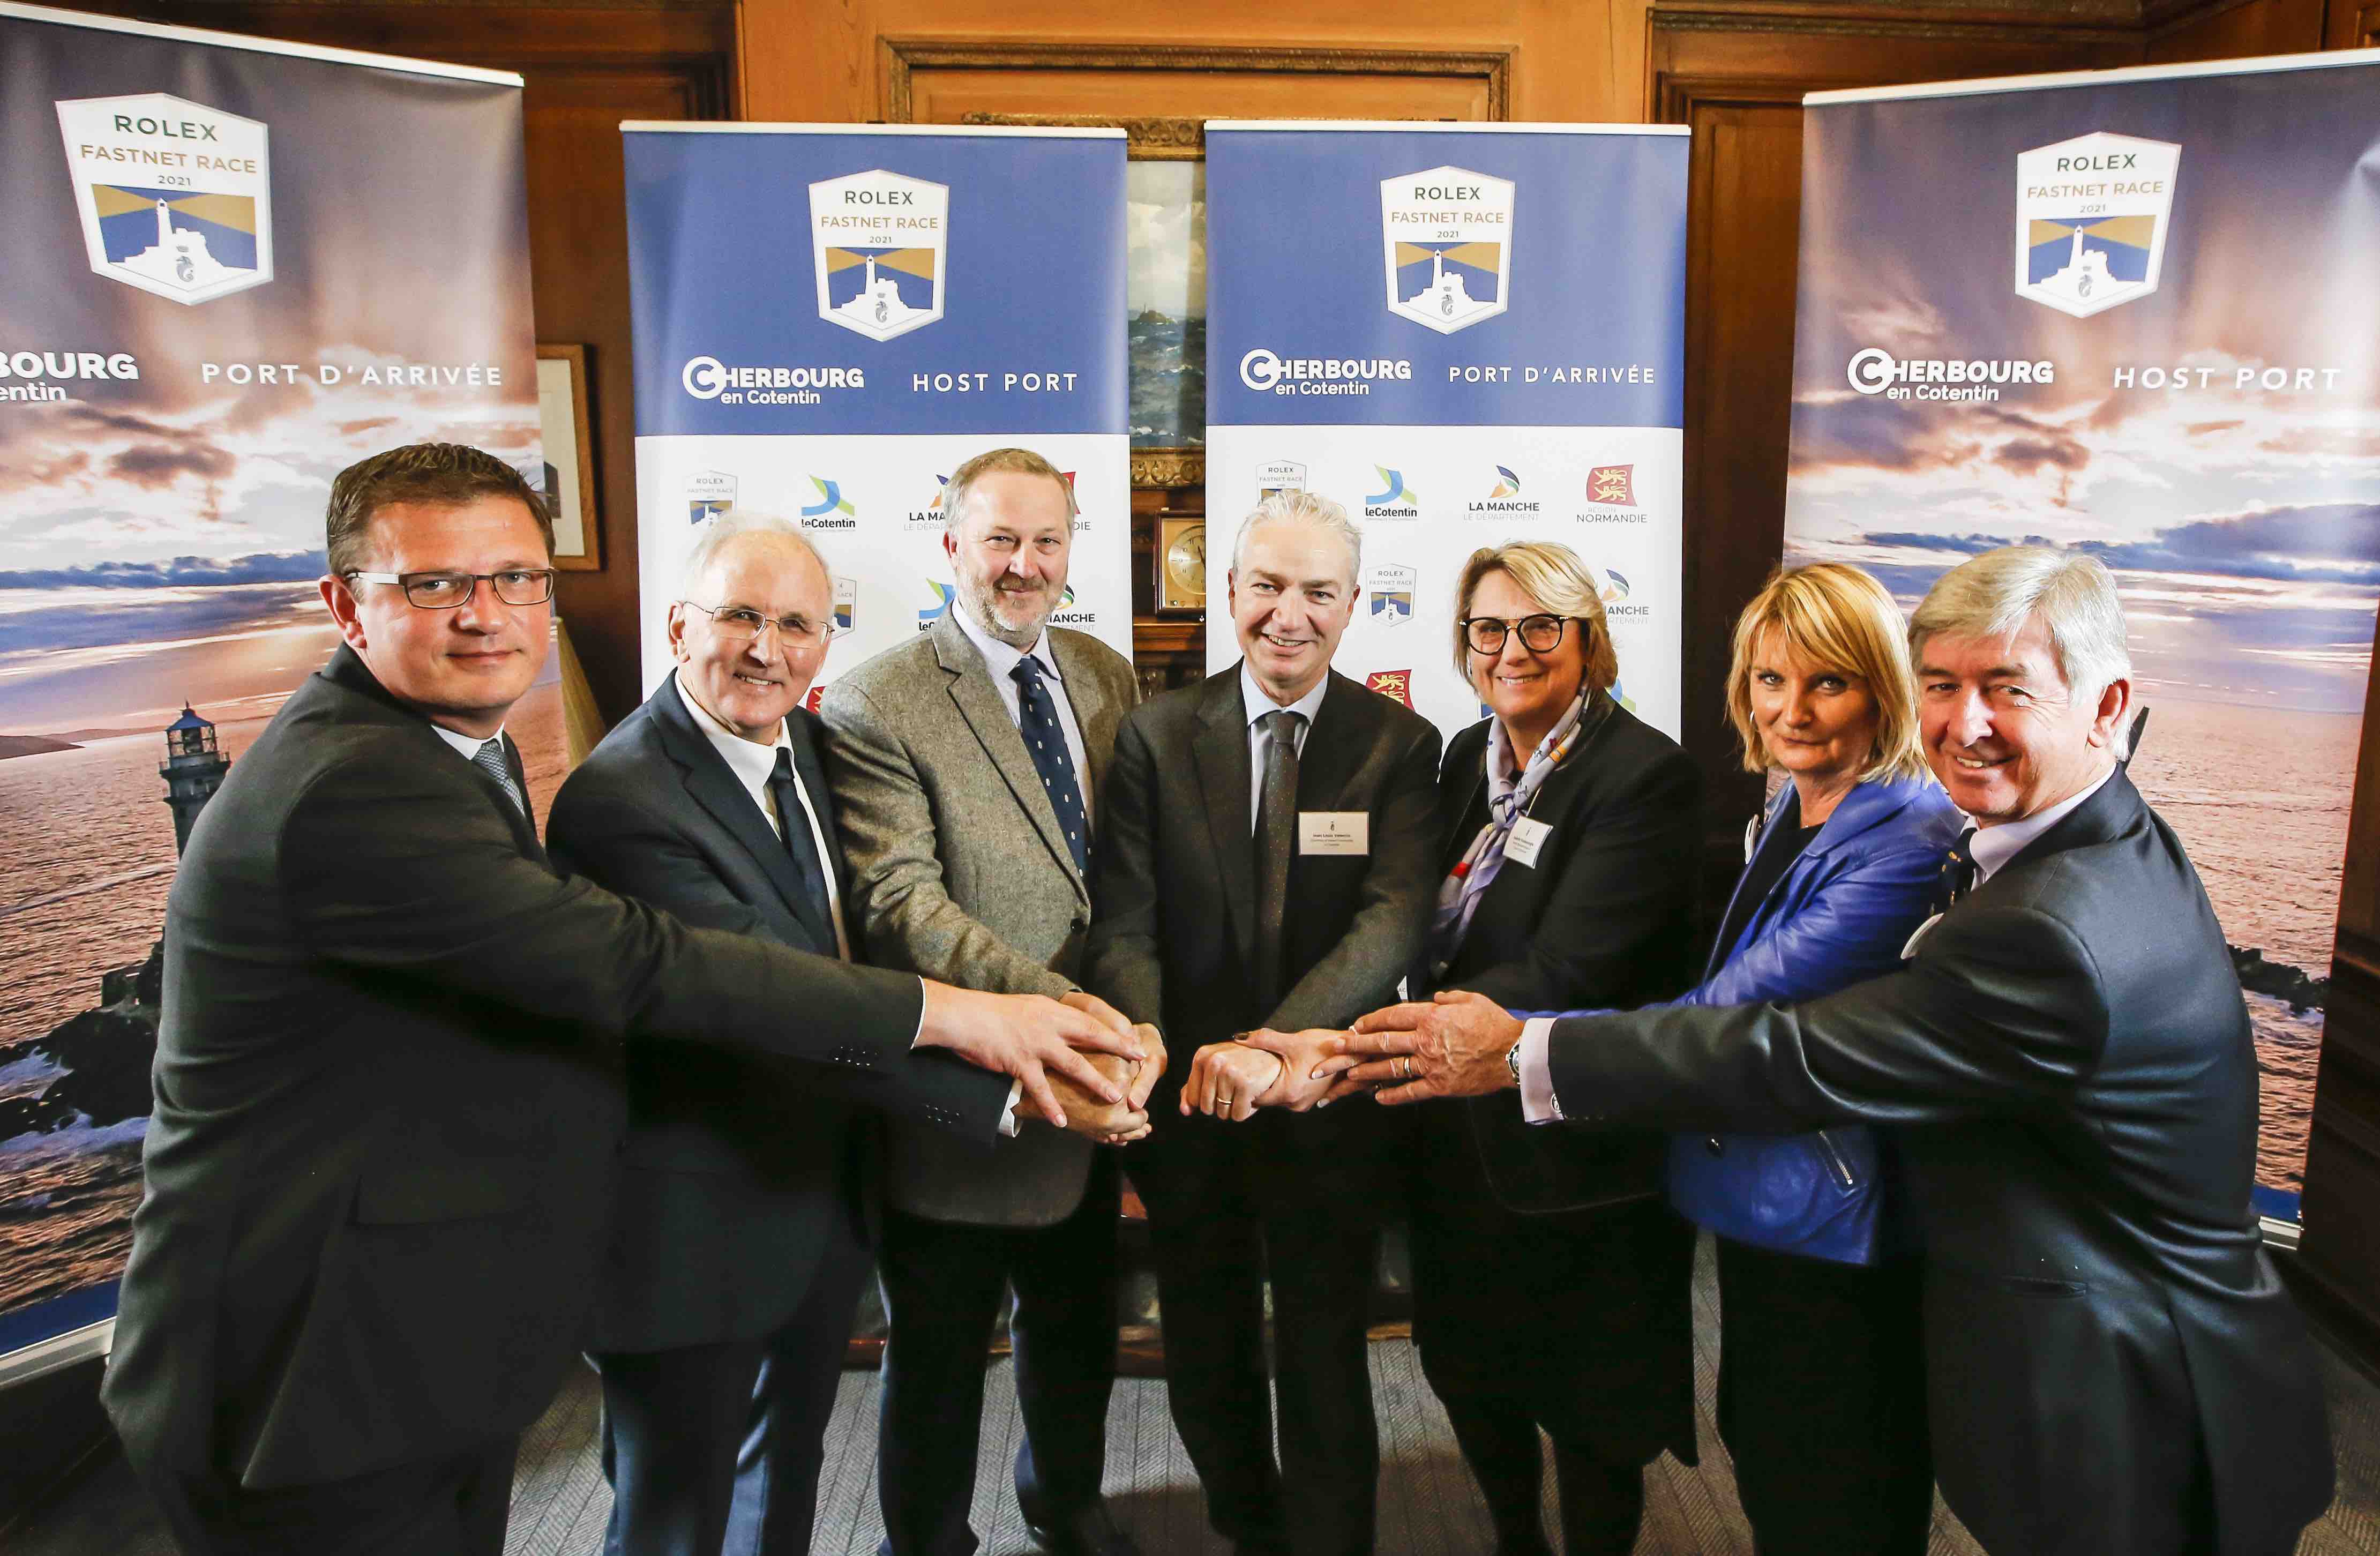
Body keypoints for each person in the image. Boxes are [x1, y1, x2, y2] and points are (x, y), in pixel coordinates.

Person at [102, 444, 1145, 1556]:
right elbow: (669, 972)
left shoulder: (699, 745)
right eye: (434, 584)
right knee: (677, 1518)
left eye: (514, 581)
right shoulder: (395, 787)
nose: (484, 615)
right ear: (345, 606)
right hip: (323, 1358)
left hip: (513, 1295)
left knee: (768, 1497)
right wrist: (977, 1038)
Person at [1325, 546, 2337, 1556]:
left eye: (2007, 689)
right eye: (1943, 685)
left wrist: (1519, 1055)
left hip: (2125, 1402)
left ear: (2106, 705)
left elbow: (1784, 1050)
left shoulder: (2035, 913)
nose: (1965, 722)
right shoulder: (2086, 842)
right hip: (2067, 1345)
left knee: (1824, 1501)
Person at [545, 513, 983, 1556]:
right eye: (739, 616)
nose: (766, 648)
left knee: (781, 1482)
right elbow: (773, 1008)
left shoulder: (823, 753)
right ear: (677, 626)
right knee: (674, 1516)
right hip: (682, 1232)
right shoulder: (621, 800)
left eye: (798, 624)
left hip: (816, 1211)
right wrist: (1007, 1090)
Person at [1084, 491, 1440, 1556]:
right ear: (1227, 594)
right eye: (1268, 587)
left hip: (1327, 1098)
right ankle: (1244, 1525)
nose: (1291, 615)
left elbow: (1388, 930)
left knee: (1327, 1354)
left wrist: (1271, 1050)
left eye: (1318, 593)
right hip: (1192, 1104)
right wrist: (1153, 1044)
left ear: (1353, 604)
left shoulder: (1399, 744)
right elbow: (1126, 924)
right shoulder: (1154, 735)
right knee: (1208, 1344)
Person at [821, 448, 1156, 1556]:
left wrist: (1127, 1022)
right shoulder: (879, 696)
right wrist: (1083, 1022)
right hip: (964, 1091)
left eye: (1046, 541)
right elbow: (902, 904)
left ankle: (1066, 1503)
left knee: (1074, 1327)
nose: (1024, 564)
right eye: (999, 540)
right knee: (939, 1346)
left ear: (1071, 549)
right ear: (952, 544)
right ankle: (923, 1538)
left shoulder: (1107, 674)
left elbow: (1118, 876)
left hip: (1097, 1090)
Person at [1405, 541, 1702, 1555]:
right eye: (1489, 629)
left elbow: (1567, 969)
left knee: (1591, 1410)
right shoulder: (1460, 757)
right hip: (1456, 1139)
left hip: (1579, 1153)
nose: (1513, 651)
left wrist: (1385, 1040)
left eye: (1542, 628)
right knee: (1468, 1370)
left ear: (1587, 639)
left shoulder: (1642, 775)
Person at [1660, 562, 1957, 1556]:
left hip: (1844, 1220)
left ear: (1883, 687)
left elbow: (1742, 1003)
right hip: (1773, 1191)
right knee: (1765, 1438)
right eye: (1769, 680)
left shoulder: (1909, 831)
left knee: (1836, 1478)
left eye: (1827, 681)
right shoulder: (1799, 802)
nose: (1791, 710)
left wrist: (1532, 1050)